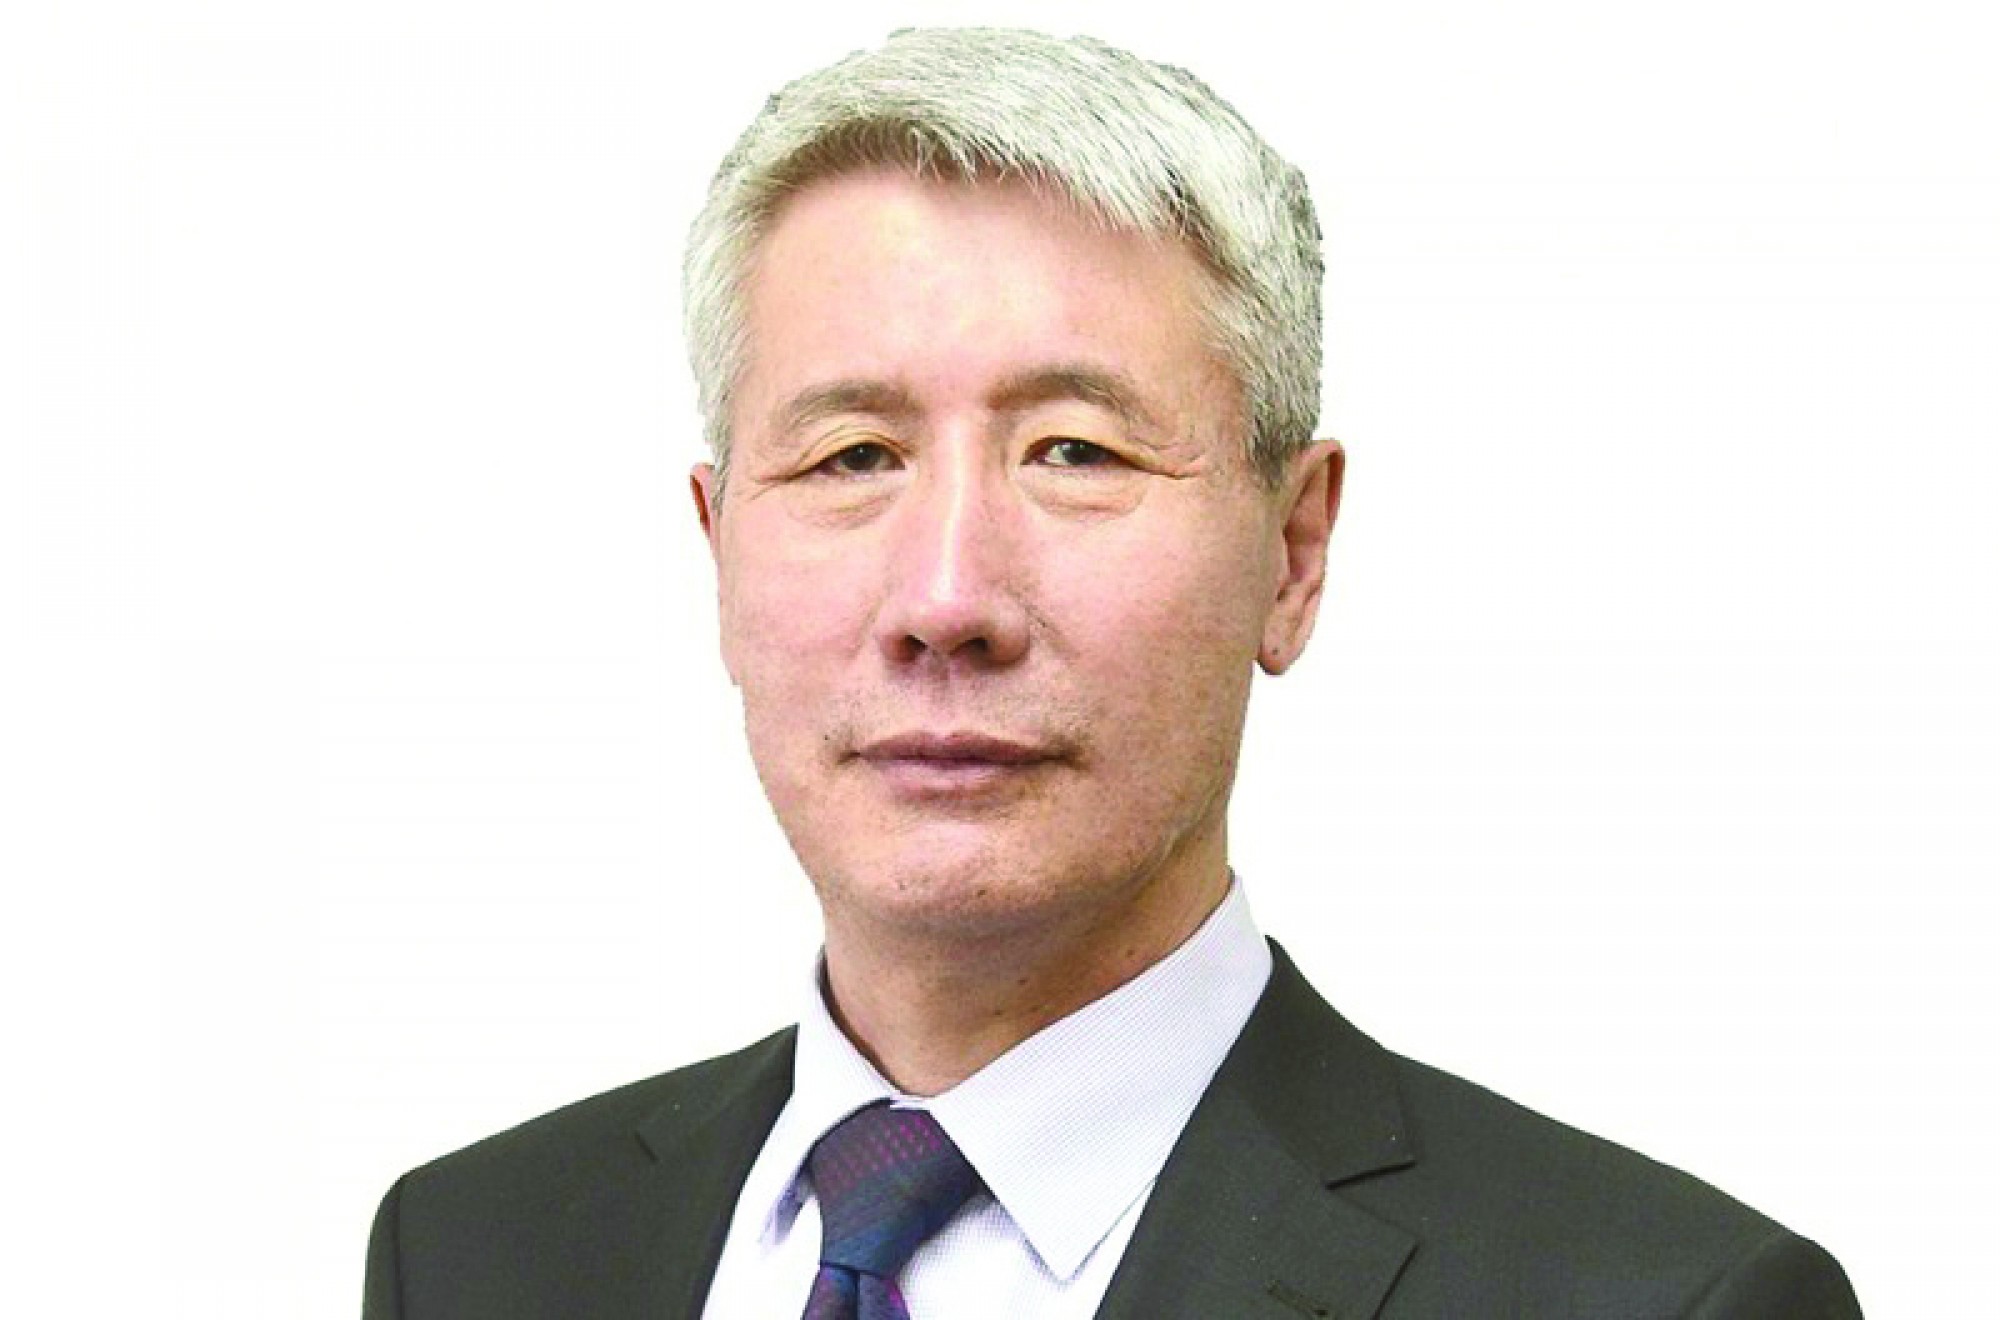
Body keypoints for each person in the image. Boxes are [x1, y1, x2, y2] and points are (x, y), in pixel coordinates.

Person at [363, 27, 1861, 1319]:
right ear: (719, 549)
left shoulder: (1666, 1297)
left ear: (1293, 552)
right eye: (852, 457)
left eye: (1075, 451)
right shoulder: (478, 1250)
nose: (946, 599)